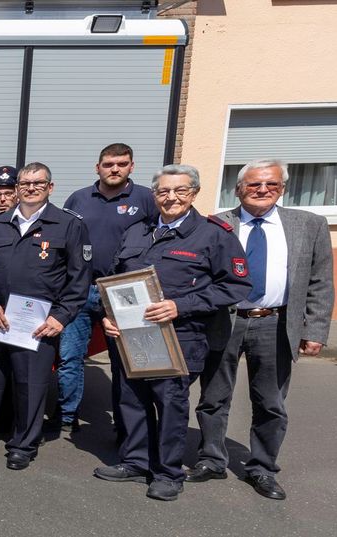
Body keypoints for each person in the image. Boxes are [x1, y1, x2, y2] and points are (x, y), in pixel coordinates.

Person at [93, 164, 251, 501]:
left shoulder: (214, 234)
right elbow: (114, 279)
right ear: (154, 195)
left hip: (180, 336)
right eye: (163, 191)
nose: (171, 197)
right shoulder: (136, 231)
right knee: (131, 401)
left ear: (193, 193)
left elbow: (236, 286)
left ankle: (168, 473)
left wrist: (182, 305)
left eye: (180, 190)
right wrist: (109, 316)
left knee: (170, 405)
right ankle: (135, 461)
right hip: (130, 336)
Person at [190, 159, 333, 501]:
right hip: (225, 320)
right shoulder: (217, 223)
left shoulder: (308, 225)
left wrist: (314, 328)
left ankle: (262, 468)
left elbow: (320, 281)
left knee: (270, 401)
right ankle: (211, 458)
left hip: (276, 321)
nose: (262, 190)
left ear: (282, 188)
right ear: (238, 189)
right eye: (254, 184)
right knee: (213, 396)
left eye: (271, 184)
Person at [0, 162, 90, 471]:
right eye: (25, 183)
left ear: (50, 188)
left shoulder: (68, 225)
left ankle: (23, 444)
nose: (30, 188)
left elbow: (79, 279)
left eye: (38, 183)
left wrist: (61, 316)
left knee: (30, 385)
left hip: (37, 324)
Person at [58, 144, 157, 432]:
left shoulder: (145, 199)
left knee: (124, 361)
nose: (115, 169)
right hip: (80, 288)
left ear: (131, 167)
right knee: (70, 357)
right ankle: (66, 415)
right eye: (109, 164)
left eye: (121, 164)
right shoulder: (78, 199)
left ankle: (126, 424)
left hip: (124, 291)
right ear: (97, 167)